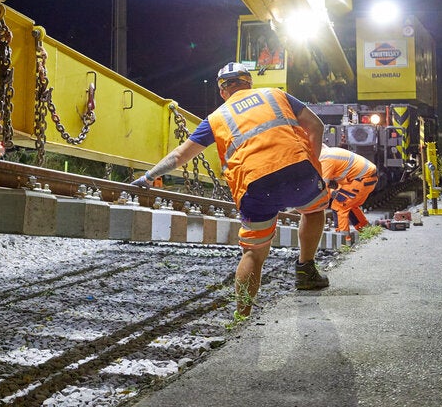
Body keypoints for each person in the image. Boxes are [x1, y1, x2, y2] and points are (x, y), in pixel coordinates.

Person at [132, 62, 330, 318]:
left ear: (222, 91)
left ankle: (241, 316)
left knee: (253, 253)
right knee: (314, 210)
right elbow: (316, 126)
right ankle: (306, 269)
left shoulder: (216, 118)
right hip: (298, 170)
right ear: (248, 82)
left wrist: (148, 177)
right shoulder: (275, 94)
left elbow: (180, 155)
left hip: (256, 186)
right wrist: (312, 166)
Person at [319, 144, 378, 235]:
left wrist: (319, 205)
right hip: (366, 178)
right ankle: (366, 230)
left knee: (339, 206)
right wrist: (333, 192)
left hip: (362, 179)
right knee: (350, 204)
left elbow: (323, 187)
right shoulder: (329, 153)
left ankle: (343, 240)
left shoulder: (325, 158)